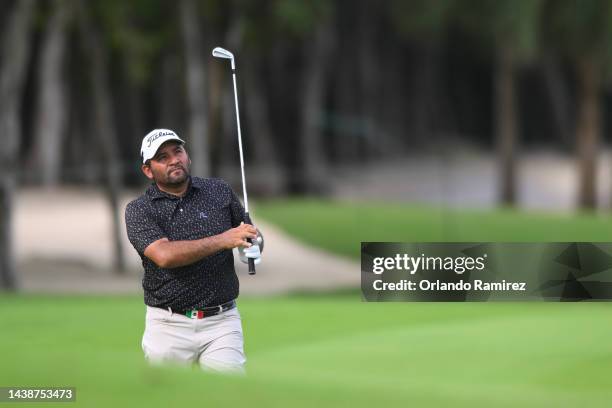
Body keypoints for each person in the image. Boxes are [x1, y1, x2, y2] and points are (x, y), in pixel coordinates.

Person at [124, 128, 262, 373]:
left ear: (187, 156)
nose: (174, 159)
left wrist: (254, 244)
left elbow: (246, 231)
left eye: (177, 151)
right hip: (167, 325)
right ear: (148, 170)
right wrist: (224, 239)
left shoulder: (218, 190)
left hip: (222, 322)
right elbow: (164, 255)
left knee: (226, 397)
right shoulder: (139, 210)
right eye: (162, 157)